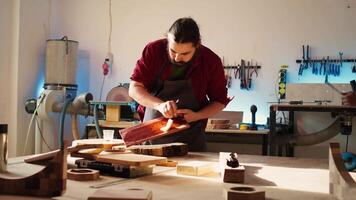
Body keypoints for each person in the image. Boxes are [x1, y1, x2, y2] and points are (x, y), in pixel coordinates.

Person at [129, 17, 230, 151]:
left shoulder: (210, 61)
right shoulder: (153, 50)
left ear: (197, 45)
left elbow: (219, 101)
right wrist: (159, 105)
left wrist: (197, 116)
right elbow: (134, 88)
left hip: (191, 136)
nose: (177, 57)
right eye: (173, 51)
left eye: (185, 53)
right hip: (152, 135)